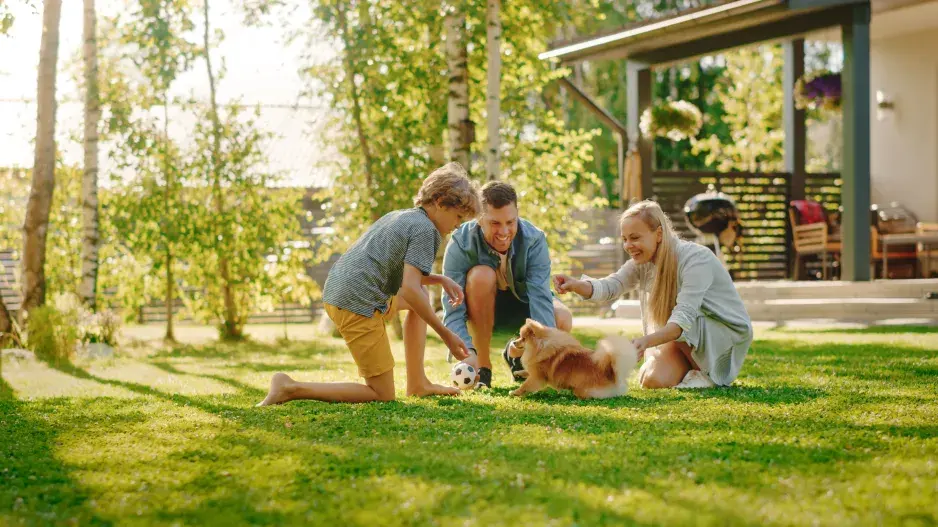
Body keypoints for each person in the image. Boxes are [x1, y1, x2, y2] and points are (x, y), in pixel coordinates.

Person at [257, 162, 481, 405]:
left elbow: (399, 272)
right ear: (439, 202)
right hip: (357, 302)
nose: (458, 224)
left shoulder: (402, 217)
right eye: (458, 216)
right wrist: (446, 334)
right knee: (381, 394)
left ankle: (418, 383)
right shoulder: (427, 231)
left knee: (421, 297)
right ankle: (289, 388)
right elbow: (409, 288)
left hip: (342, 291)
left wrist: (438, 278)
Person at [553, 200, 752, 389]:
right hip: (684, 338)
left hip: (721, 333)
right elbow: (611, 286)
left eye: (635, 237)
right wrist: (576, 285)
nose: (628, 245)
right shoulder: (643, 262)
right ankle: (693, 370)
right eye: (624, 239)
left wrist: (645, 341)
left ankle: (709, 375)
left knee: (679, 320)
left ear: (658, 234)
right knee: (652, 380)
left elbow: (683, 319)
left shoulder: (695, 259)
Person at [442, 181, 573, 388]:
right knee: (481, 275)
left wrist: (543, 356)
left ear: (517, 215)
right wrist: (467, 352)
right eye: (495, 223)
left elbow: (540, 296)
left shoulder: (534, 239)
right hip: (479, 311)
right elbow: (453, 307)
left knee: (563, 318)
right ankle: (483, 368)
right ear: (479, 218)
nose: (504, 232)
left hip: (523, 306)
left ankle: (518, 359)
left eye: (510, 222)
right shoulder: (460, 242)